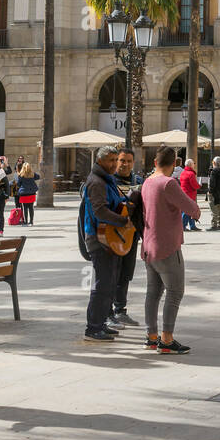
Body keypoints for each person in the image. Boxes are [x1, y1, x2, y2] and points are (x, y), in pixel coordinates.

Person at [141, 145, 200, 355]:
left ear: (155, 162)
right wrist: (196, 211)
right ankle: (166, 339)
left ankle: (151, 336)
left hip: (148, 245)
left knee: (153, 293)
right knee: (175, 292)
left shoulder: (147, 183)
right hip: (166, 246)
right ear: (175, 163)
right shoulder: (168, 184)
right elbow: (191, 208)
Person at [81, 144, 131, 343]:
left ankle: (100, 323)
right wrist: (122, 221)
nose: (114, 164)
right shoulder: (96, 182)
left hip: (109, 238)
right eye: (111, 160)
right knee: (102, 285)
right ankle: (93, 327)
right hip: (99, 239)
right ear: (100, 161)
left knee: (109, 283)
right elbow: (100, 211)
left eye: (115, 160)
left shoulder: (105, 180)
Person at [109, 148, 141, 327]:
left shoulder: (138, 182)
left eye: (129, 161)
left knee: (126, 273)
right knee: (111, 272)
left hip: (131, 235)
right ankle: (107, 311)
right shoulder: (109, 181)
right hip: (111, 234)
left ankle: (120, 310)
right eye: (122, 160)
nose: (125, 164)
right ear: (116, 161)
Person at [207, 156, 220, 231]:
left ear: (214, 162)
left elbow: (212, 182)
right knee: (219, 208)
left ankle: (214, 225)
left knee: (213, 208)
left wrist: (210, 191)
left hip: (214, 192)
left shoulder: (214, 171)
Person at [179, 158, 200, 232]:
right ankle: (183, 225)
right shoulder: (191, 174)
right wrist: (199, 186)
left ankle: (192, 225)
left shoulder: (183, 172)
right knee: (188, 210)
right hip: (190, 194)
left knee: (190, 210)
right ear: (191, 165)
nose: (194, 165)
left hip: (184, 193)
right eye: (193, 164)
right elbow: (194, 184)